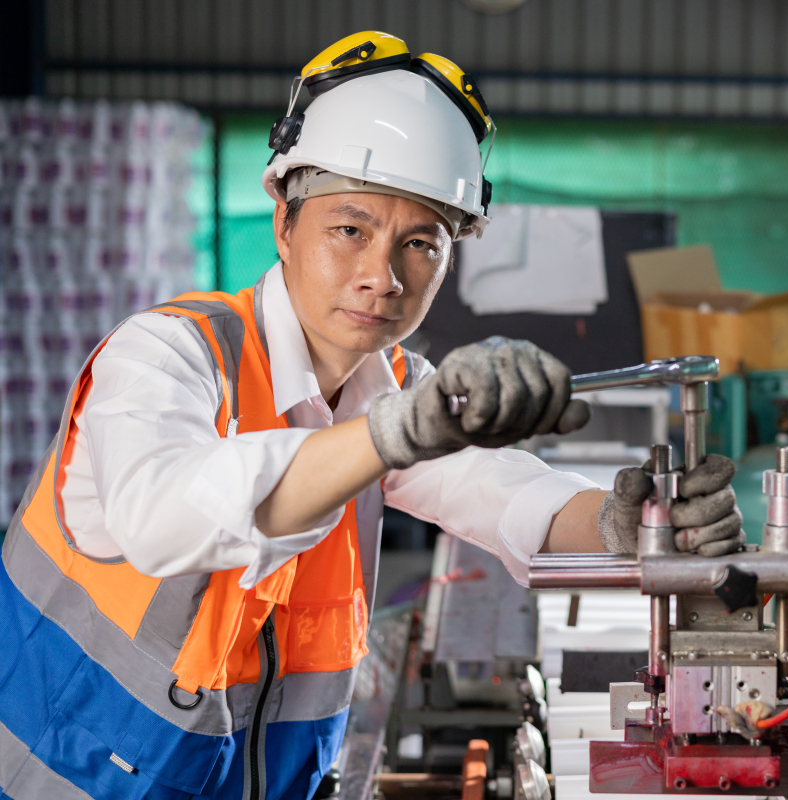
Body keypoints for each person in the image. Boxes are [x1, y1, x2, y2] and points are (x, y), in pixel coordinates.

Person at [0, 32, 743, 800]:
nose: (381, 278)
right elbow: (162, 515)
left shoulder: (386, 387)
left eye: (421, 243)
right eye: (349, 230)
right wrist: (395, 433)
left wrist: (639, 524)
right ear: (284, 222)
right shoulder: (164, 356)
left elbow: (505, 492)